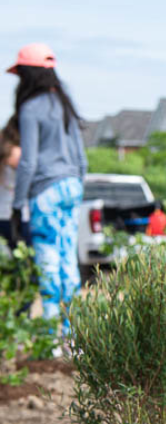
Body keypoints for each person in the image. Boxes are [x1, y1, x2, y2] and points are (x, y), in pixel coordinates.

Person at [8, 43, 87, 338]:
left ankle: (48, 340)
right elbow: (81, 158)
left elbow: (28, 162)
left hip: (46, 190)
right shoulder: (64, 103)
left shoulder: (31, 108)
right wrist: (76, 183)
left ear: (27, 74)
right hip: (72, 186)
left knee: (47, 263)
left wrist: (18, 205)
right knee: (69, 261)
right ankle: (73, 338)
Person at [0, 117, 30, 250]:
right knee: (24, 262)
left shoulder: (4, 149)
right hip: (16, 216)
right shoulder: (16, 152)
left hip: (3, 213)